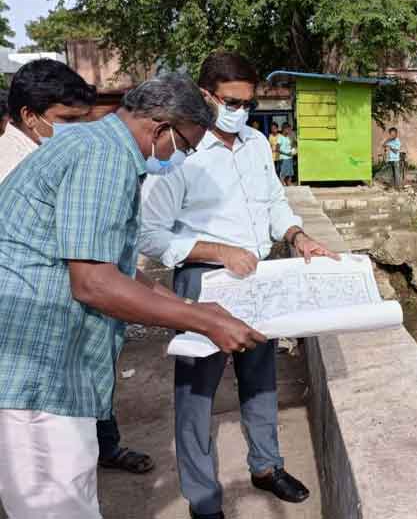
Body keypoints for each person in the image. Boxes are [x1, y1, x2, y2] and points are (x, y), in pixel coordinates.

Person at [0, 73, 266, 519]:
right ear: (161, 129)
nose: (179, 158)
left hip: (46, 366)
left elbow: (113, 267)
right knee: (58, 507)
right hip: (37, 371)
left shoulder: (94, 147)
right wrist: (206, 323)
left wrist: (189, 310)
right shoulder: (105, 158)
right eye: (184, 147)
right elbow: (93, 282)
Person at [140, 51, 338, 519]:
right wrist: (217, 251)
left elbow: (274, 202)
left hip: (257, 279)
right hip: (203, 281)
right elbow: (150, 234)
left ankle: (266, 466)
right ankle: (203, 498)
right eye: (231, 101)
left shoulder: (254, 143)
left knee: (260, 377)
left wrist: (298, 235)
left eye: (247, 102)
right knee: (196, 392)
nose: (240, 110)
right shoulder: (178, 153)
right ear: (206, 95)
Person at [0, 58, 156, 475]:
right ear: (29, 117)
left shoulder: (64, 151)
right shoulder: (15, 162)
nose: (78, 128)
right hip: (33, 340)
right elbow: (90, 276)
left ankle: (105, 447)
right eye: (66, 118)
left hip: (69, 336)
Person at [0, 59, 95, 182]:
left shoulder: (47, 157)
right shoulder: (18, 170)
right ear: (30, 116)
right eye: (69, 119)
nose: (82, 126)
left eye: (86, 117)